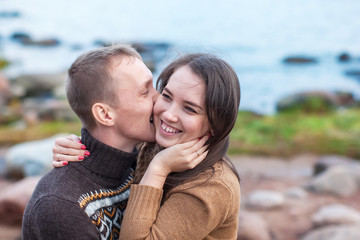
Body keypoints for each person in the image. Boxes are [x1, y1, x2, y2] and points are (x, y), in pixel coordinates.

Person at [22, 44, 208, 240]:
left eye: (154, 87)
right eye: (145, 92)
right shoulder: (61, 206)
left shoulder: (142, 162)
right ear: (105, 114)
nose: (159, 98)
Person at [53, 53, 242, 239]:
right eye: (167, 96)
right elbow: (114, 138)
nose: (168, 115)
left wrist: (159, 169)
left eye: (190, 109)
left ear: (217, 124)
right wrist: (80, 145)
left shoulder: (212, 186)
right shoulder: (151, 146)